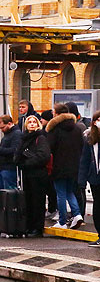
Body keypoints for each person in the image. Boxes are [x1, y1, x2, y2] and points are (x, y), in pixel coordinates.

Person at [46, 103, 85, 229]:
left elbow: (49, 148)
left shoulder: (55, 129)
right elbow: (81, 147)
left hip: (59, 166)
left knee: (61, 193)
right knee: (69, 191)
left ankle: (62, 221)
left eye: (53, 112)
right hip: (74, 166)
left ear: (57, 114)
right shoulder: (77, 128)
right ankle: (77, 214)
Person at [16, 114, 51, 237]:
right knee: (28, 201)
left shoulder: (40, 138)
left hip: (38, 174)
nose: (31, 123)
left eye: (34, 122)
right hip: (26, 174)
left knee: (38, 202)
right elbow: (17, 155)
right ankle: (29, 226)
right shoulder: (24, 138)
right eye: (29, 122)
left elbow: (44, 156)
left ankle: (37, 228)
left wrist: (27, 162)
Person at [0, 114, 21, 224]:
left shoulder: (16, 134)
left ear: (10, 124)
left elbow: (13, 150)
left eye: (3, 127)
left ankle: (9, 216)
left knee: (8, 193)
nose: (2, 130)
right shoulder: (9, 134)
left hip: (9, 167)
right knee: (1, 193)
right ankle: (1, 216)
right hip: (3, 167)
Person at [78, 110, 100, 247]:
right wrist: (82, 180)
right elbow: (84, 161)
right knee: (97, 208)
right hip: (95, 179)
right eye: (97, 120)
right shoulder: (90, 139)